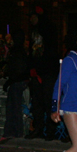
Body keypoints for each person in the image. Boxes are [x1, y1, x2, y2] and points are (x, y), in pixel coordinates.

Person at [26, 9, 60, 140]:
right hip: (37, 72)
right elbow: (32, 51)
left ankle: (50, 131)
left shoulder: (48, 29)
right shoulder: (34, 31)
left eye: (32, 16)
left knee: (48, 102)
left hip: (48, 72)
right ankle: (38, 129)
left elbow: (50, 50)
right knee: (37, 104)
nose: (30, 20)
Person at [0, 29, 30, 142]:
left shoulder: (17, 51)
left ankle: (13, 132)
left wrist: (10, 80)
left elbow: (17, 69)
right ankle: (14, 131)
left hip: (16, 81)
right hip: (18, 80)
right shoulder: (19, 50)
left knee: (13, 107)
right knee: (14, 107)